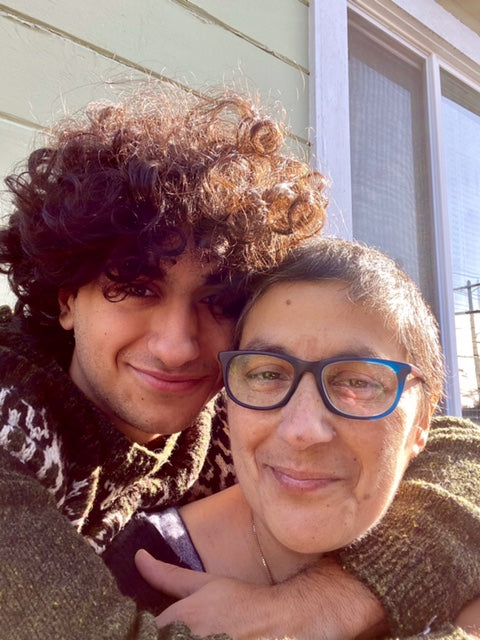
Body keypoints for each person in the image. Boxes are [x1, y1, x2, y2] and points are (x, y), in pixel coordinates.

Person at [0, 80, 478, 640]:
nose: (178, 346)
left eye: (217, 301)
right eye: (135, 288)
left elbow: (455, 447)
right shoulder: (13, 427)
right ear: (65, 299)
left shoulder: (230, 411)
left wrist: (336, 599)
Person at [104, 236, 480, 640]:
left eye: (357, 381)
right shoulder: (123, 585)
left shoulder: (463, 556)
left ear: (421, 423)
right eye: (267, 374)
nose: (302, 430)